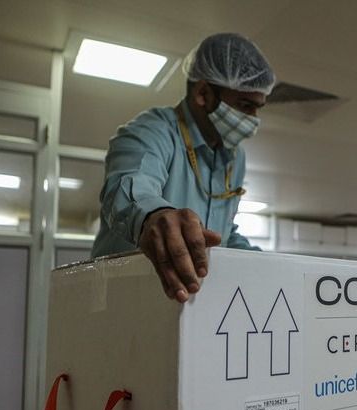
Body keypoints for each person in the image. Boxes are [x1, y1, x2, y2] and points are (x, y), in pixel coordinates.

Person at [91, 33, 276, 302]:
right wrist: (154, 216)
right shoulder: (153, 131)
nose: (253, 119)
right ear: (203, 93)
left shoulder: (234, 158)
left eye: (258, 108)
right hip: (124, 298)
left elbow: (222, 233)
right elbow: (128, 188)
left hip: (191, 302)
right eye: (245, 105)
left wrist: (268, 266)